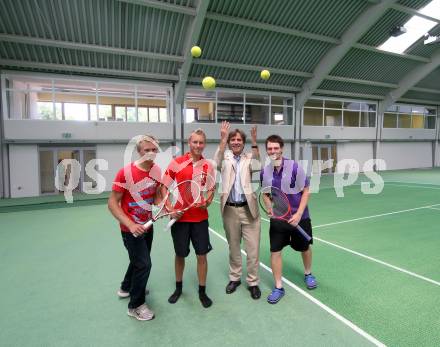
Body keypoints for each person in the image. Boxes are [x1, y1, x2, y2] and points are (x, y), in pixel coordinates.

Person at [108, 135, 162, 321]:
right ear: (139, 152)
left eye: (154, 149)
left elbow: (156, 197)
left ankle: (126, 287)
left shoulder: (156, 171)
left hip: (147, 226)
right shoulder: (125, 173)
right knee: (144, 264)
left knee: (138, 260)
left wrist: (166, 206)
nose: (151, 153)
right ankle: (136, 305)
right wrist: (130, 224)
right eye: (147, 150)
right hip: (130, 229)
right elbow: (112, 203)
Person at [261, 135, 317, 304]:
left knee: (305, 247)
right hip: (279, 219)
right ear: (267, 150)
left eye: (275, 148)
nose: (272, 151)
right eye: (270, 148)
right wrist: (270, 207)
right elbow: (265, 193)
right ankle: (279, 287)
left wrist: (299, 214)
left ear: (282, 148)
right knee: (275, 251)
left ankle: (308, 273)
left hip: (300, 217)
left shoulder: (294, 167)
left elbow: (306, 190)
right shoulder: (266, 171)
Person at [162, 128, 215, 308]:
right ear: (189, 143)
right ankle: (178, 288)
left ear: (204, 144)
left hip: (200, 219)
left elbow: (211, 190)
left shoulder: (208, 165)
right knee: (180, 254)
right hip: (180, 219)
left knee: (202, 256)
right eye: (195, 142)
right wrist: (169, 208)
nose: (198, 145)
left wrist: (207, 201)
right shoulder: (177, 163)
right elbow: (163, 188)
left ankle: (202, 291)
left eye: (201, 142)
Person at [214, 121, 262, 299]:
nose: (235, 142)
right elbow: (215, 163)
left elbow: (257, 166)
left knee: (253, 249)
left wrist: (255, 142)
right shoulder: (224, 158)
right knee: (233, 247)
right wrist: (222, 139)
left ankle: (253, 282)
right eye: (232, 140)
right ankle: (235, 278)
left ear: (243, 142)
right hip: (230, 210)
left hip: (249, 209)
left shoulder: (249, 157)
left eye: (239, 140)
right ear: (229, 143)